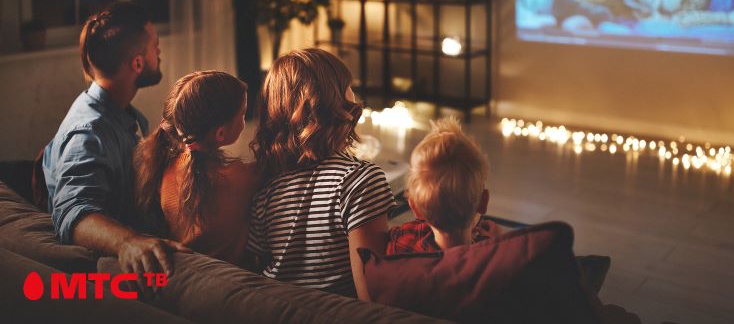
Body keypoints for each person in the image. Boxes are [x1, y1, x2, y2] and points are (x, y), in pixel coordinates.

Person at [43, 2, 190, 290]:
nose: (159, 54)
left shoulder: (124, 115)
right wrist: (128, 242)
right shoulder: (89, 132)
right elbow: (74, 212)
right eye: (155, 47)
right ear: (137, 63)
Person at [247, 48, 396, 300]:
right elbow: (372, 295)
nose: (354, 93)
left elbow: (256, 263)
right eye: (348, 85)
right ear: (335, 99)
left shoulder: (265, 185)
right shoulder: (360, 180)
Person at [134, 71, 259, 267]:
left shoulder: (165, 169)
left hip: (186, 271)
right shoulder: (240, 177)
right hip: (227, 277)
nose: (244, 118)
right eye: (243, 114)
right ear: (220, 133)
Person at [386, 118, 500, 255]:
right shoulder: (491, 255)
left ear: (415, 208)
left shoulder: (401, 242)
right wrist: (494, 240)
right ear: (483, 202)